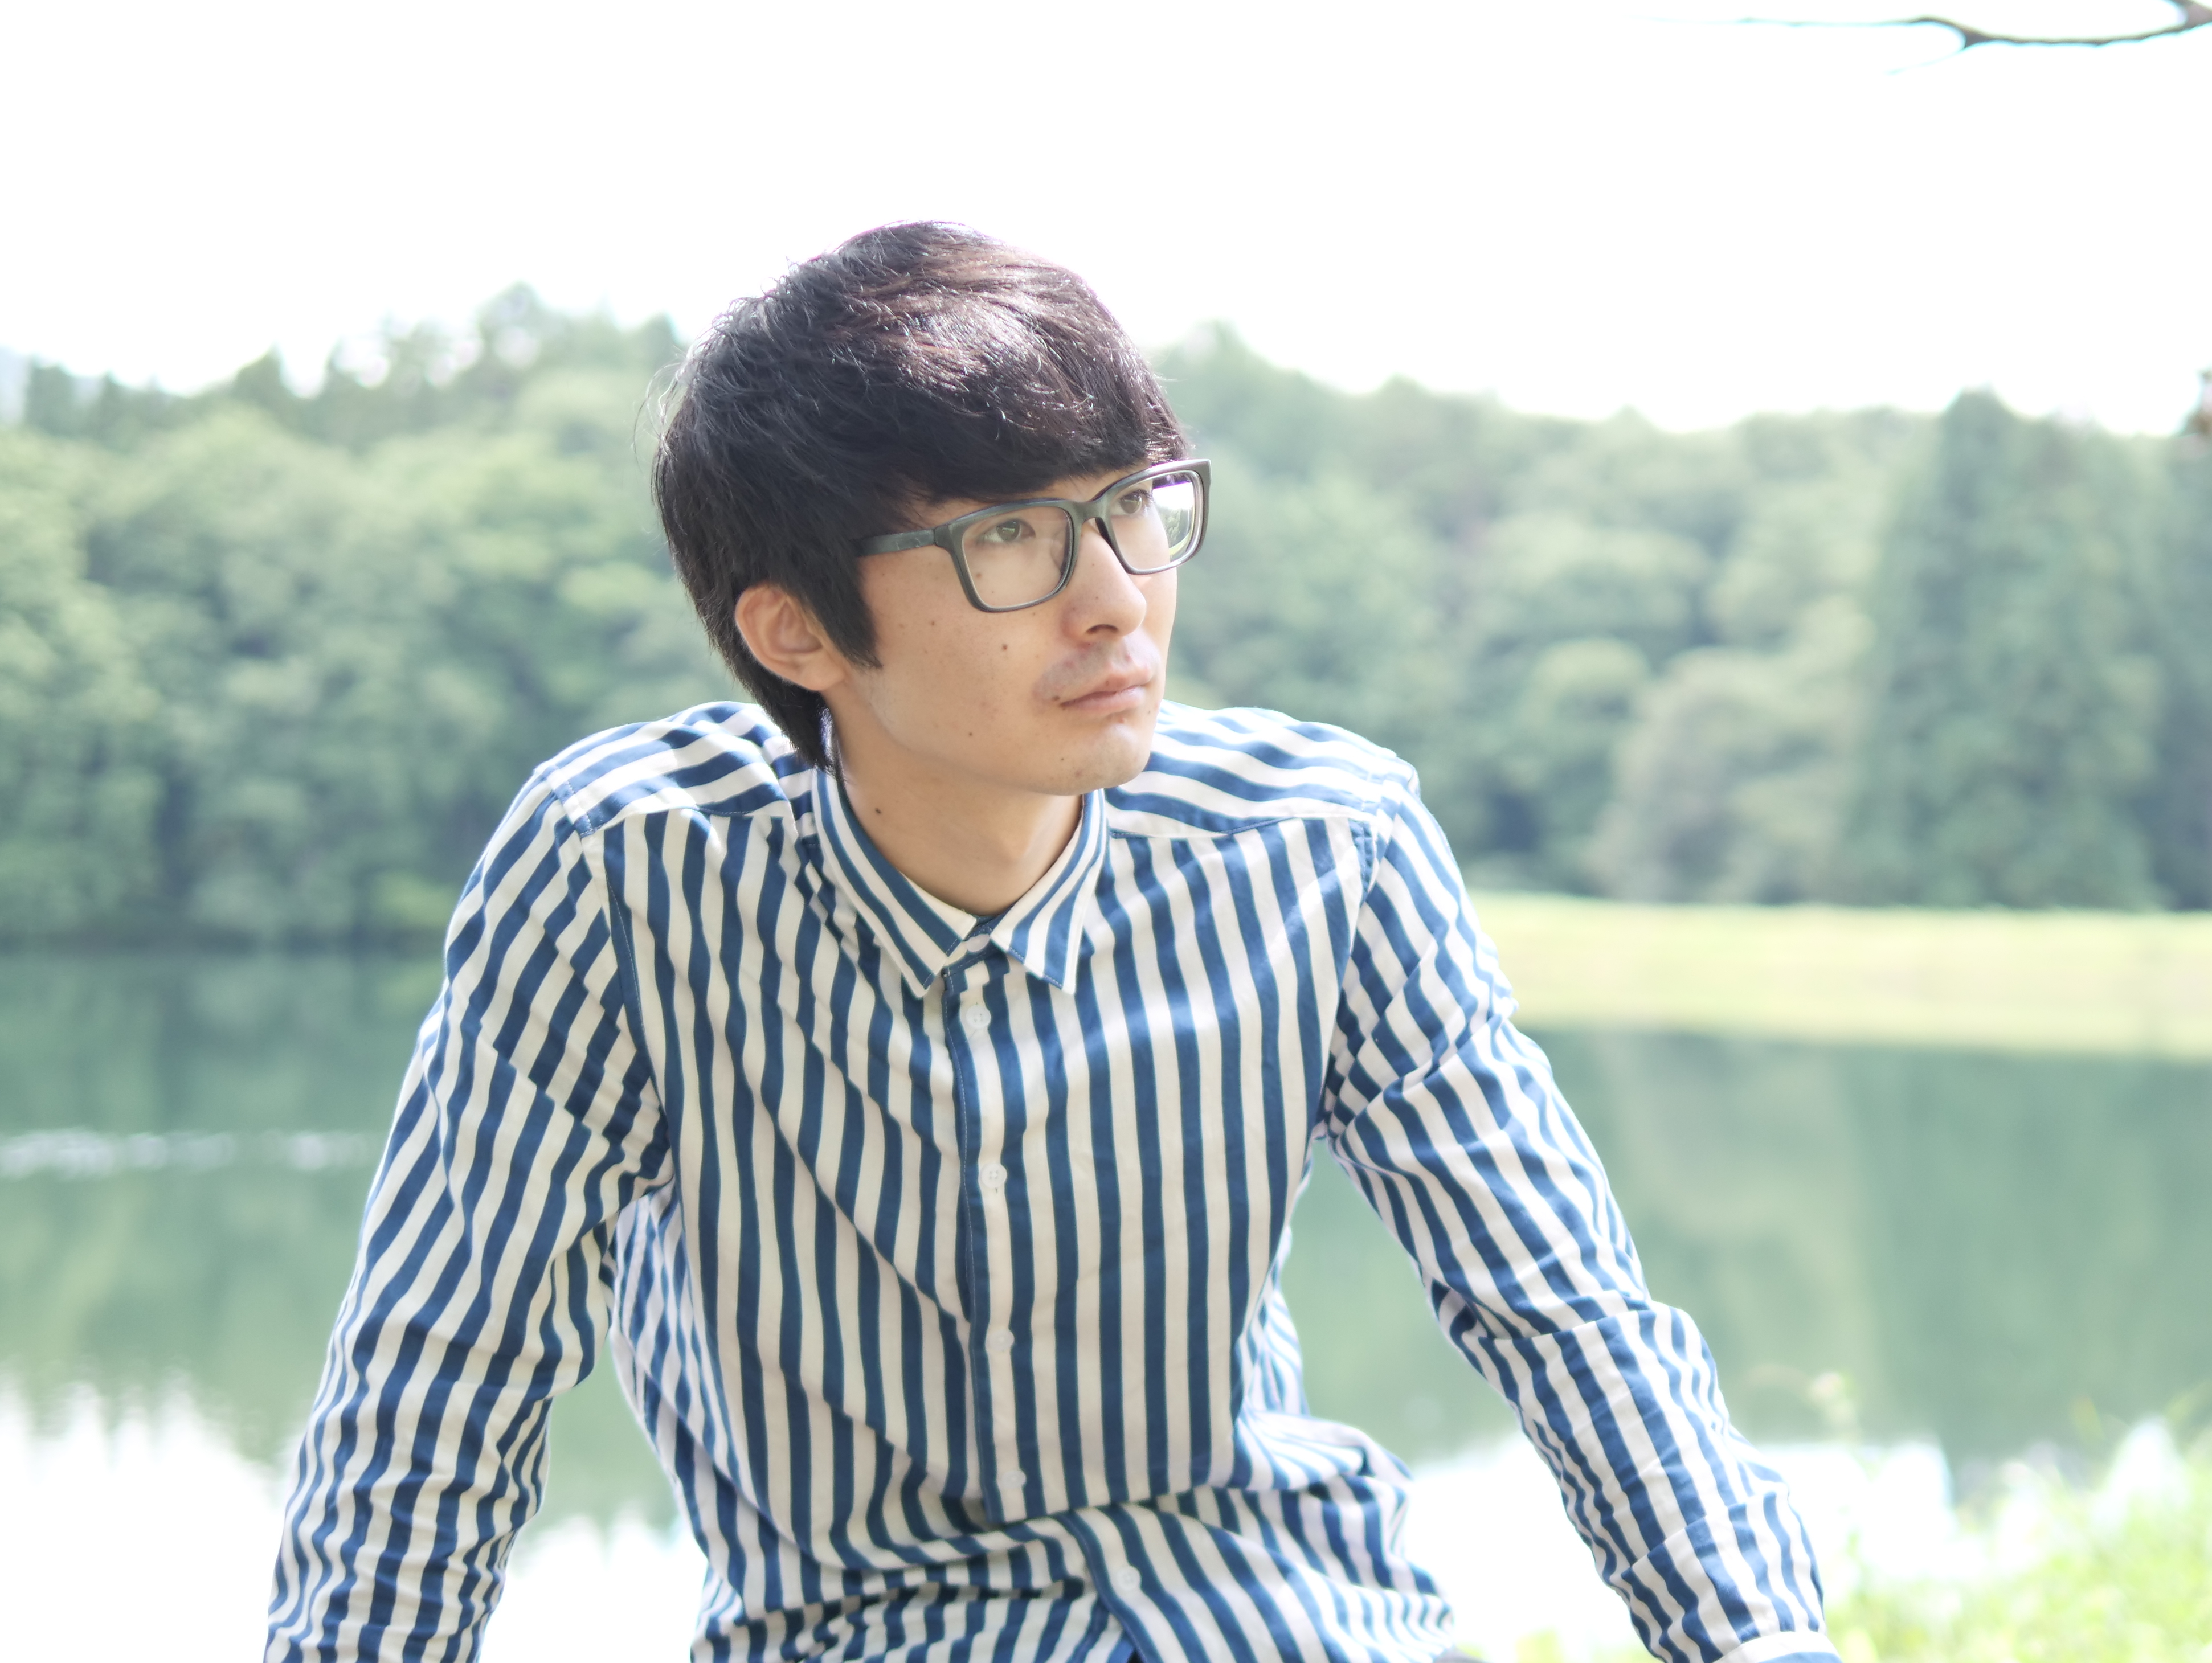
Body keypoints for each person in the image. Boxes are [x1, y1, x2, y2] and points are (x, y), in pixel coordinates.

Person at [266, 222, 1833, 1663]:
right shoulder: (628, 877)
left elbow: (1563, 1313)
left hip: (1280, 1623)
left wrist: (1759, 1642)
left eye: (1132, 509)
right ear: (794, 629)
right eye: (1009, 538)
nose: (1115, 601)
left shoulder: (1323, 847)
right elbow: (442, 1388)